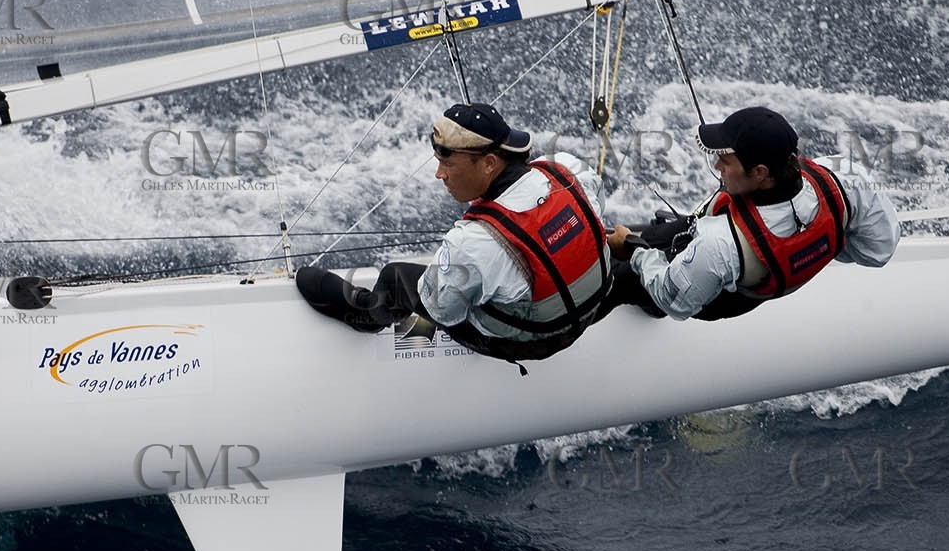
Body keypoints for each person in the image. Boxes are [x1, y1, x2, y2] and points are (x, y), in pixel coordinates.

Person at [296, 103, 610, 362]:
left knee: (397, 279)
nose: (438, 173)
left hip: (532, 341)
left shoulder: (472, 243)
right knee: (616, 245)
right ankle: (648, 298)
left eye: (448, 162)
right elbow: (595, 211)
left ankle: (363, 316)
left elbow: (445, 311)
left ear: (489, 163)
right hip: (594, 302)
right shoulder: (568, 169)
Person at [603, 106, 899, 321]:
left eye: (725, 160)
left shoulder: (719, 243)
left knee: (619, 279)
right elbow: (878, 250)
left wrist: (635, 249)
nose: (717, 166)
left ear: (760, 172)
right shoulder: (845, 180)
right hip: (739, 256)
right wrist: (816, 241)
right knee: (662, 234)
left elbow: (674, 301)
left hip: (719, 295)